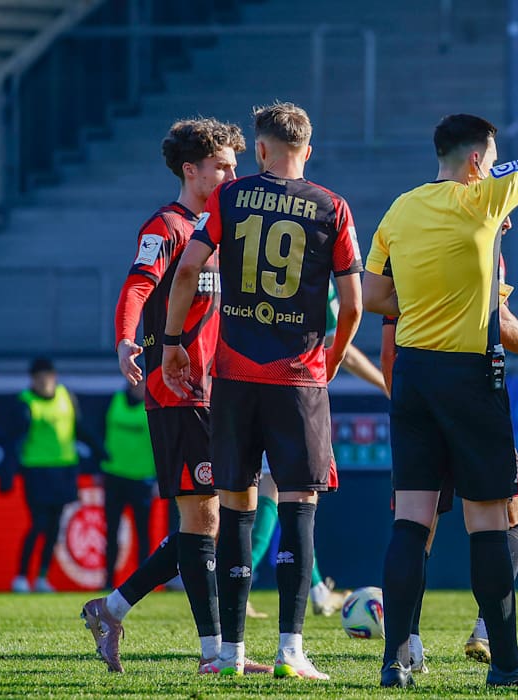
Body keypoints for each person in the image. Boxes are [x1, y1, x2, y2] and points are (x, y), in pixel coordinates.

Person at [362, 28, 518, 689]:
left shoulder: (399, 209)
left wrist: (429, 291)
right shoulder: (482, 199)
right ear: (478, 162)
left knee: (411, 519)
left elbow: (373, 295)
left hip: (411, 375)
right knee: (489, 520)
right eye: (496, 159)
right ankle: (504, 664)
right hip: (469, 376)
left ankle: (394, 661)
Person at [163, 101, 363, 681]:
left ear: (262, 149)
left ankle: (228, 654)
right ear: (308, 151)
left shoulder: (229, 197)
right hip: (299, 378)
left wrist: (172, 341)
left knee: (236, 509)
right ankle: (290, 652)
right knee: (300, 506)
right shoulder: (332, 207)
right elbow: (353, 305)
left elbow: (186, 271)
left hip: (234, 376)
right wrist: (331, 360)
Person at [79, 117, 266, 675]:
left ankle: (111, 609)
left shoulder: (224, 231)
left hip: (222, 391)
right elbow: (137, 285)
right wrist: (126, 340)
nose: (232, 175)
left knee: (206, 522)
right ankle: (215, 654)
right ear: (191, 170)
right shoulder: (167, 227)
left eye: (235, 165)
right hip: (179, 391)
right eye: (222, 166)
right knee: (203, 518)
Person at [379, 216, 518, 673]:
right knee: (502, 515)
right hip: (468, 393)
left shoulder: (409, 226)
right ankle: (495, 642)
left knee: (415, 520)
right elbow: (498, 321)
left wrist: (406, 407)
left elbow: (385, 337)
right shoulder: (477, 243)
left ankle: (404, 651)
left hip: (414, 393)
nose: (510, 217)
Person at [246, 281, 386, 621]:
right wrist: (386, 383)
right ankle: (238, 583)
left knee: (280, 493)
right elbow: (342, 347)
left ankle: (318, 588)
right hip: (294, 393)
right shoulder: (318, 280)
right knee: (289, 494)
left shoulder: (252, 265)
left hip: (248, 386)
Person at [6, 358, 107, 593]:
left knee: (54, 527)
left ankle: (42, 577)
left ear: (54, 377)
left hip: (64, 470)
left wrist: (100, 451)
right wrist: (8, 473)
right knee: (38, 524)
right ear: (32, 380)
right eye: (39, 377)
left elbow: (80, 429)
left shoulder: (66, 397)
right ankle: (21, 577)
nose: (44, 381)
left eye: (47, 376)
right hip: (37, 471)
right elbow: (14, 439)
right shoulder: (25, 402)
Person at [100, 380, 156, 589]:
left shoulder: (153, 406)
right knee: (111, 532)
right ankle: (108, 581)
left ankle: (143, 583)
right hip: (115, 476)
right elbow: (99, 432)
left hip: (142, 479)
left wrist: (158, 478)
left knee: (143, 533)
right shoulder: (113, 401)